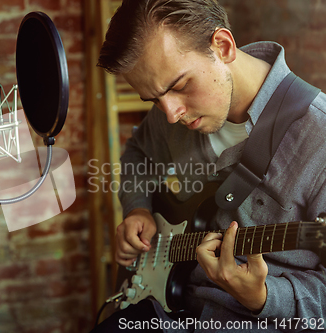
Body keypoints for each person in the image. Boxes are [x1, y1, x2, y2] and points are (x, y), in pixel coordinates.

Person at [92, 0, 326, 332]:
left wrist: (264, 297)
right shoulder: (171, 111)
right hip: (169, 307)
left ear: (223, 46)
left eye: (179, 86)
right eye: (154, 99)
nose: (171, 113)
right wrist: (137, 209)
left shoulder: (320, 139)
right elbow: (137, 154)